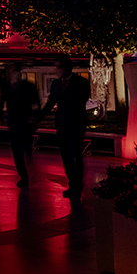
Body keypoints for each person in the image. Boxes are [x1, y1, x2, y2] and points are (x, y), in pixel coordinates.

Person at [41, 55, 91, 199]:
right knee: (65, 155)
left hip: (76, 123)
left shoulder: (81, 82)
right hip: (62, 123)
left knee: (75, 153)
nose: (57, 70)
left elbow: (80, 101)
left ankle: (77, 184)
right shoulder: (56, 84)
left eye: (59, 67)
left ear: (68, 68)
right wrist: (39, 116)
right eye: (56, 67)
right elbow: (51, 102)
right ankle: (73, 183)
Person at [0, 63, 40, 188]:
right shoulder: (7, 86)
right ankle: (24, 174)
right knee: (17, 150)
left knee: (25, 148)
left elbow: (36, 102)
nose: (15, 74)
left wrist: (34, 116)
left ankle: (27, 171)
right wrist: (1, 116)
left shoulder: (28, 86)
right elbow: (1, 102)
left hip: (25, 122)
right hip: (14, 121)